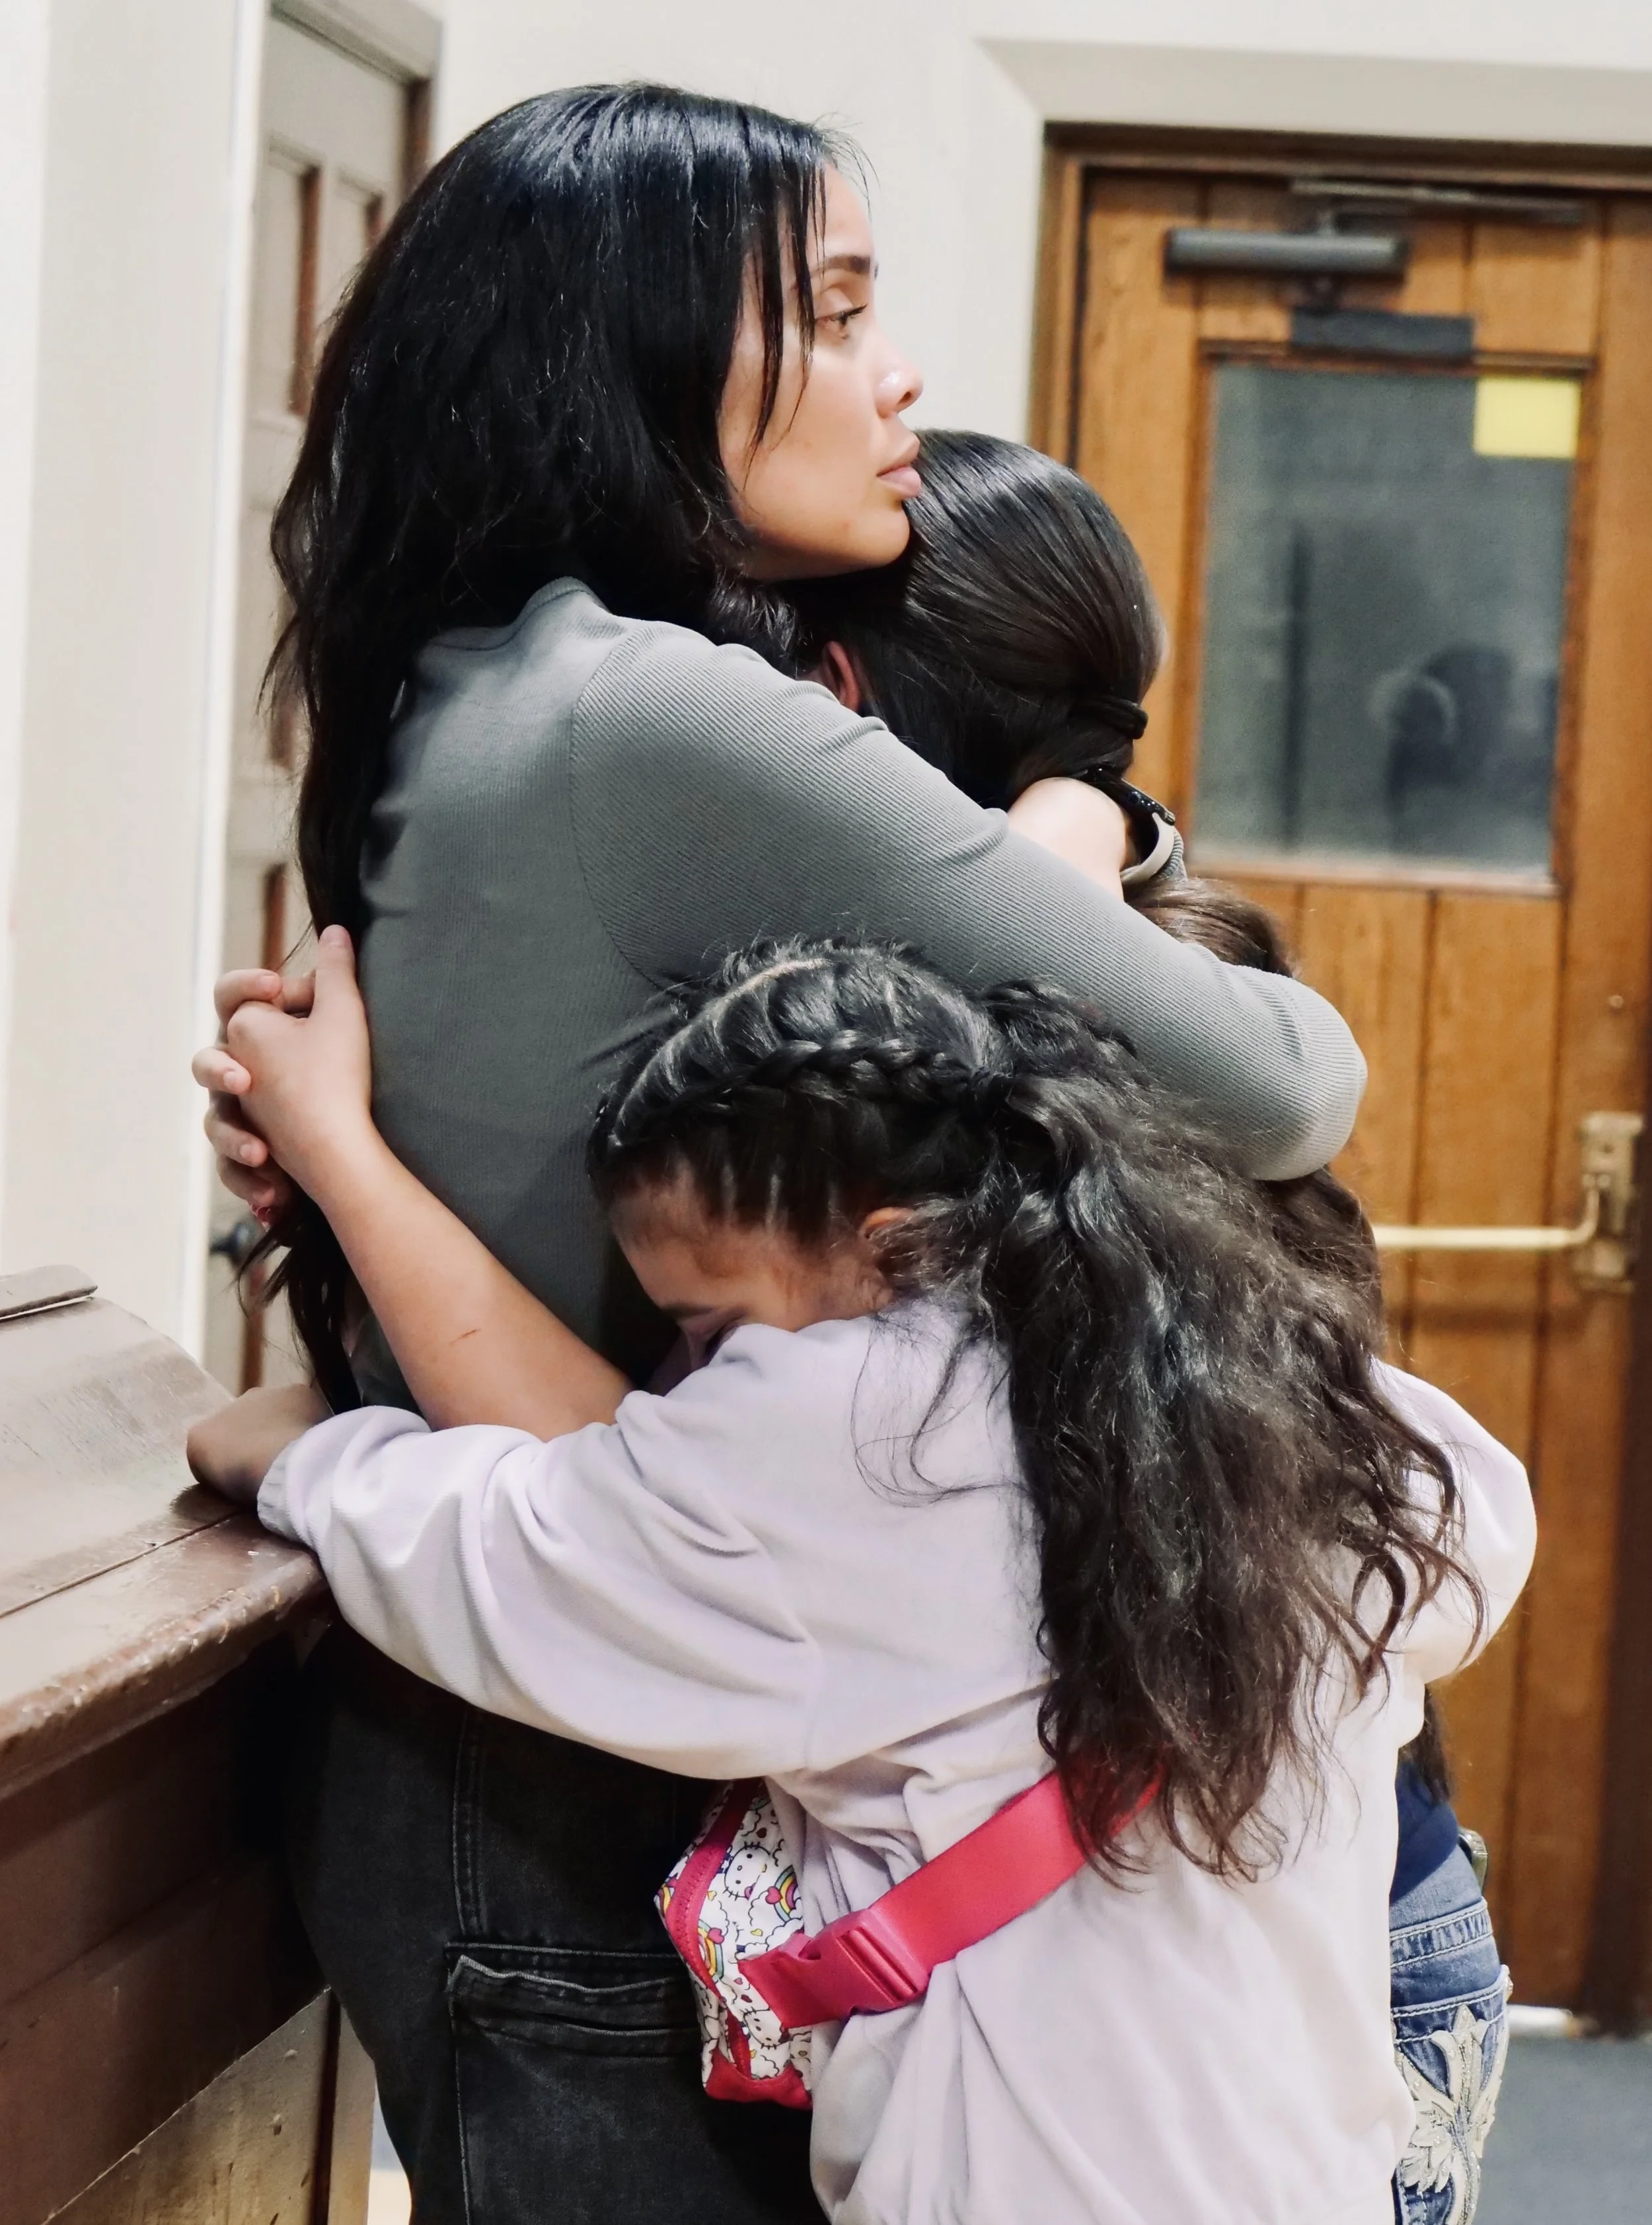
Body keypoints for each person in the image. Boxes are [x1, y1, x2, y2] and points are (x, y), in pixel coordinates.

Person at [196, 83, 1368, 2224]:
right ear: (634, 363)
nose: (895, 369)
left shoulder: (466, 685)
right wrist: (1084, 829)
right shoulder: (650, 711)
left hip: (512, 1746)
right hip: (588, 1786)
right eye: (831, 310)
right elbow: (1282, 1079)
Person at [189, 925, 1535, 2225]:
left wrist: (307, 1445)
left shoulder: (857, 1431)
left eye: (706, 1324)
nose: (687, 1378)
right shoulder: (1238, 1374)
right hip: (1315, 2164)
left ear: (888, 1250)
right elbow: (1476, 1524)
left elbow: (508, 1548)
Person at [796, 428, 1514, 2220]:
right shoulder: (1143, 952)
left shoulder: (1053, 1024)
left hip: (1227, 1954)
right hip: (1267, 1905)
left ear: (846, 693)